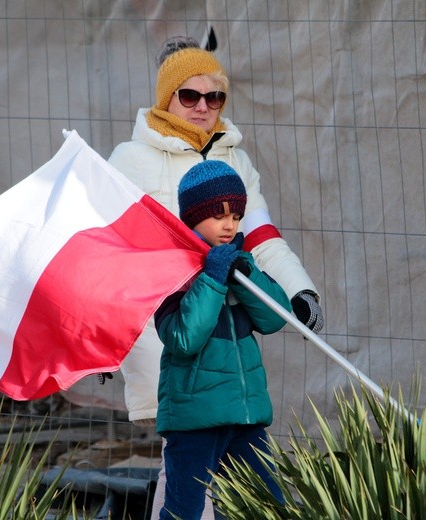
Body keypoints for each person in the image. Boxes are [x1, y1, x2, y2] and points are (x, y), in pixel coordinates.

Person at [107, 36, 323, 517]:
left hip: (228, 339)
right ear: (166, 97)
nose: (203, 107)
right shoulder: (129, 160)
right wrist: (101, 332)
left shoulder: (235, 159)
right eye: (190, 96)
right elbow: (108, 253)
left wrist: (298, 289)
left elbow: (262, 234)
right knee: (186, 456)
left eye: (215, 96)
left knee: (197, 470)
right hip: (163, 330)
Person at [154, 160, 288, 519]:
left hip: (243, 416)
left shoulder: (240, 264)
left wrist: (245, 273)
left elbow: (275, 318)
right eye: (216, 215)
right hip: (194, 420)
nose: (229, 225)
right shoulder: (175, 270)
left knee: (266, 506)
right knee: (185, 509)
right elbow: (184, 338)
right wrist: (212, 278)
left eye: (236, 214)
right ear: (193, 217)